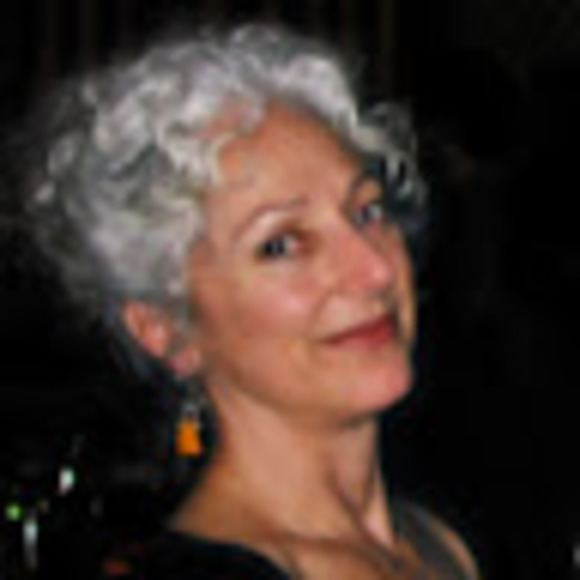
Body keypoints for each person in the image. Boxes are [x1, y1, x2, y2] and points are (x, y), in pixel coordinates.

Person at [20, 23, 480, 579]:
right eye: (282, 245)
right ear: (165, 327)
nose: (375, 269)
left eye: (367, 211)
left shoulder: (441, 546)